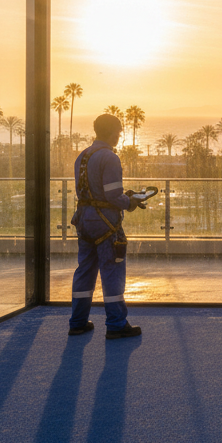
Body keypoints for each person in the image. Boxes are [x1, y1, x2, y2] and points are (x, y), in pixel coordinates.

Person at [69, 113, 151, 339]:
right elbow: (113, 195)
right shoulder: (110, 157)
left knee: (85, 270)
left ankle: (77, 322)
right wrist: (130, 202)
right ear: (113, 132)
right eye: (119, 131)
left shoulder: (82, 156)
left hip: (83, 220)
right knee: (112, 271)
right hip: (105, 223)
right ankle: (116, 324)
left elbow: (89, 191)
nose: (120, 135)